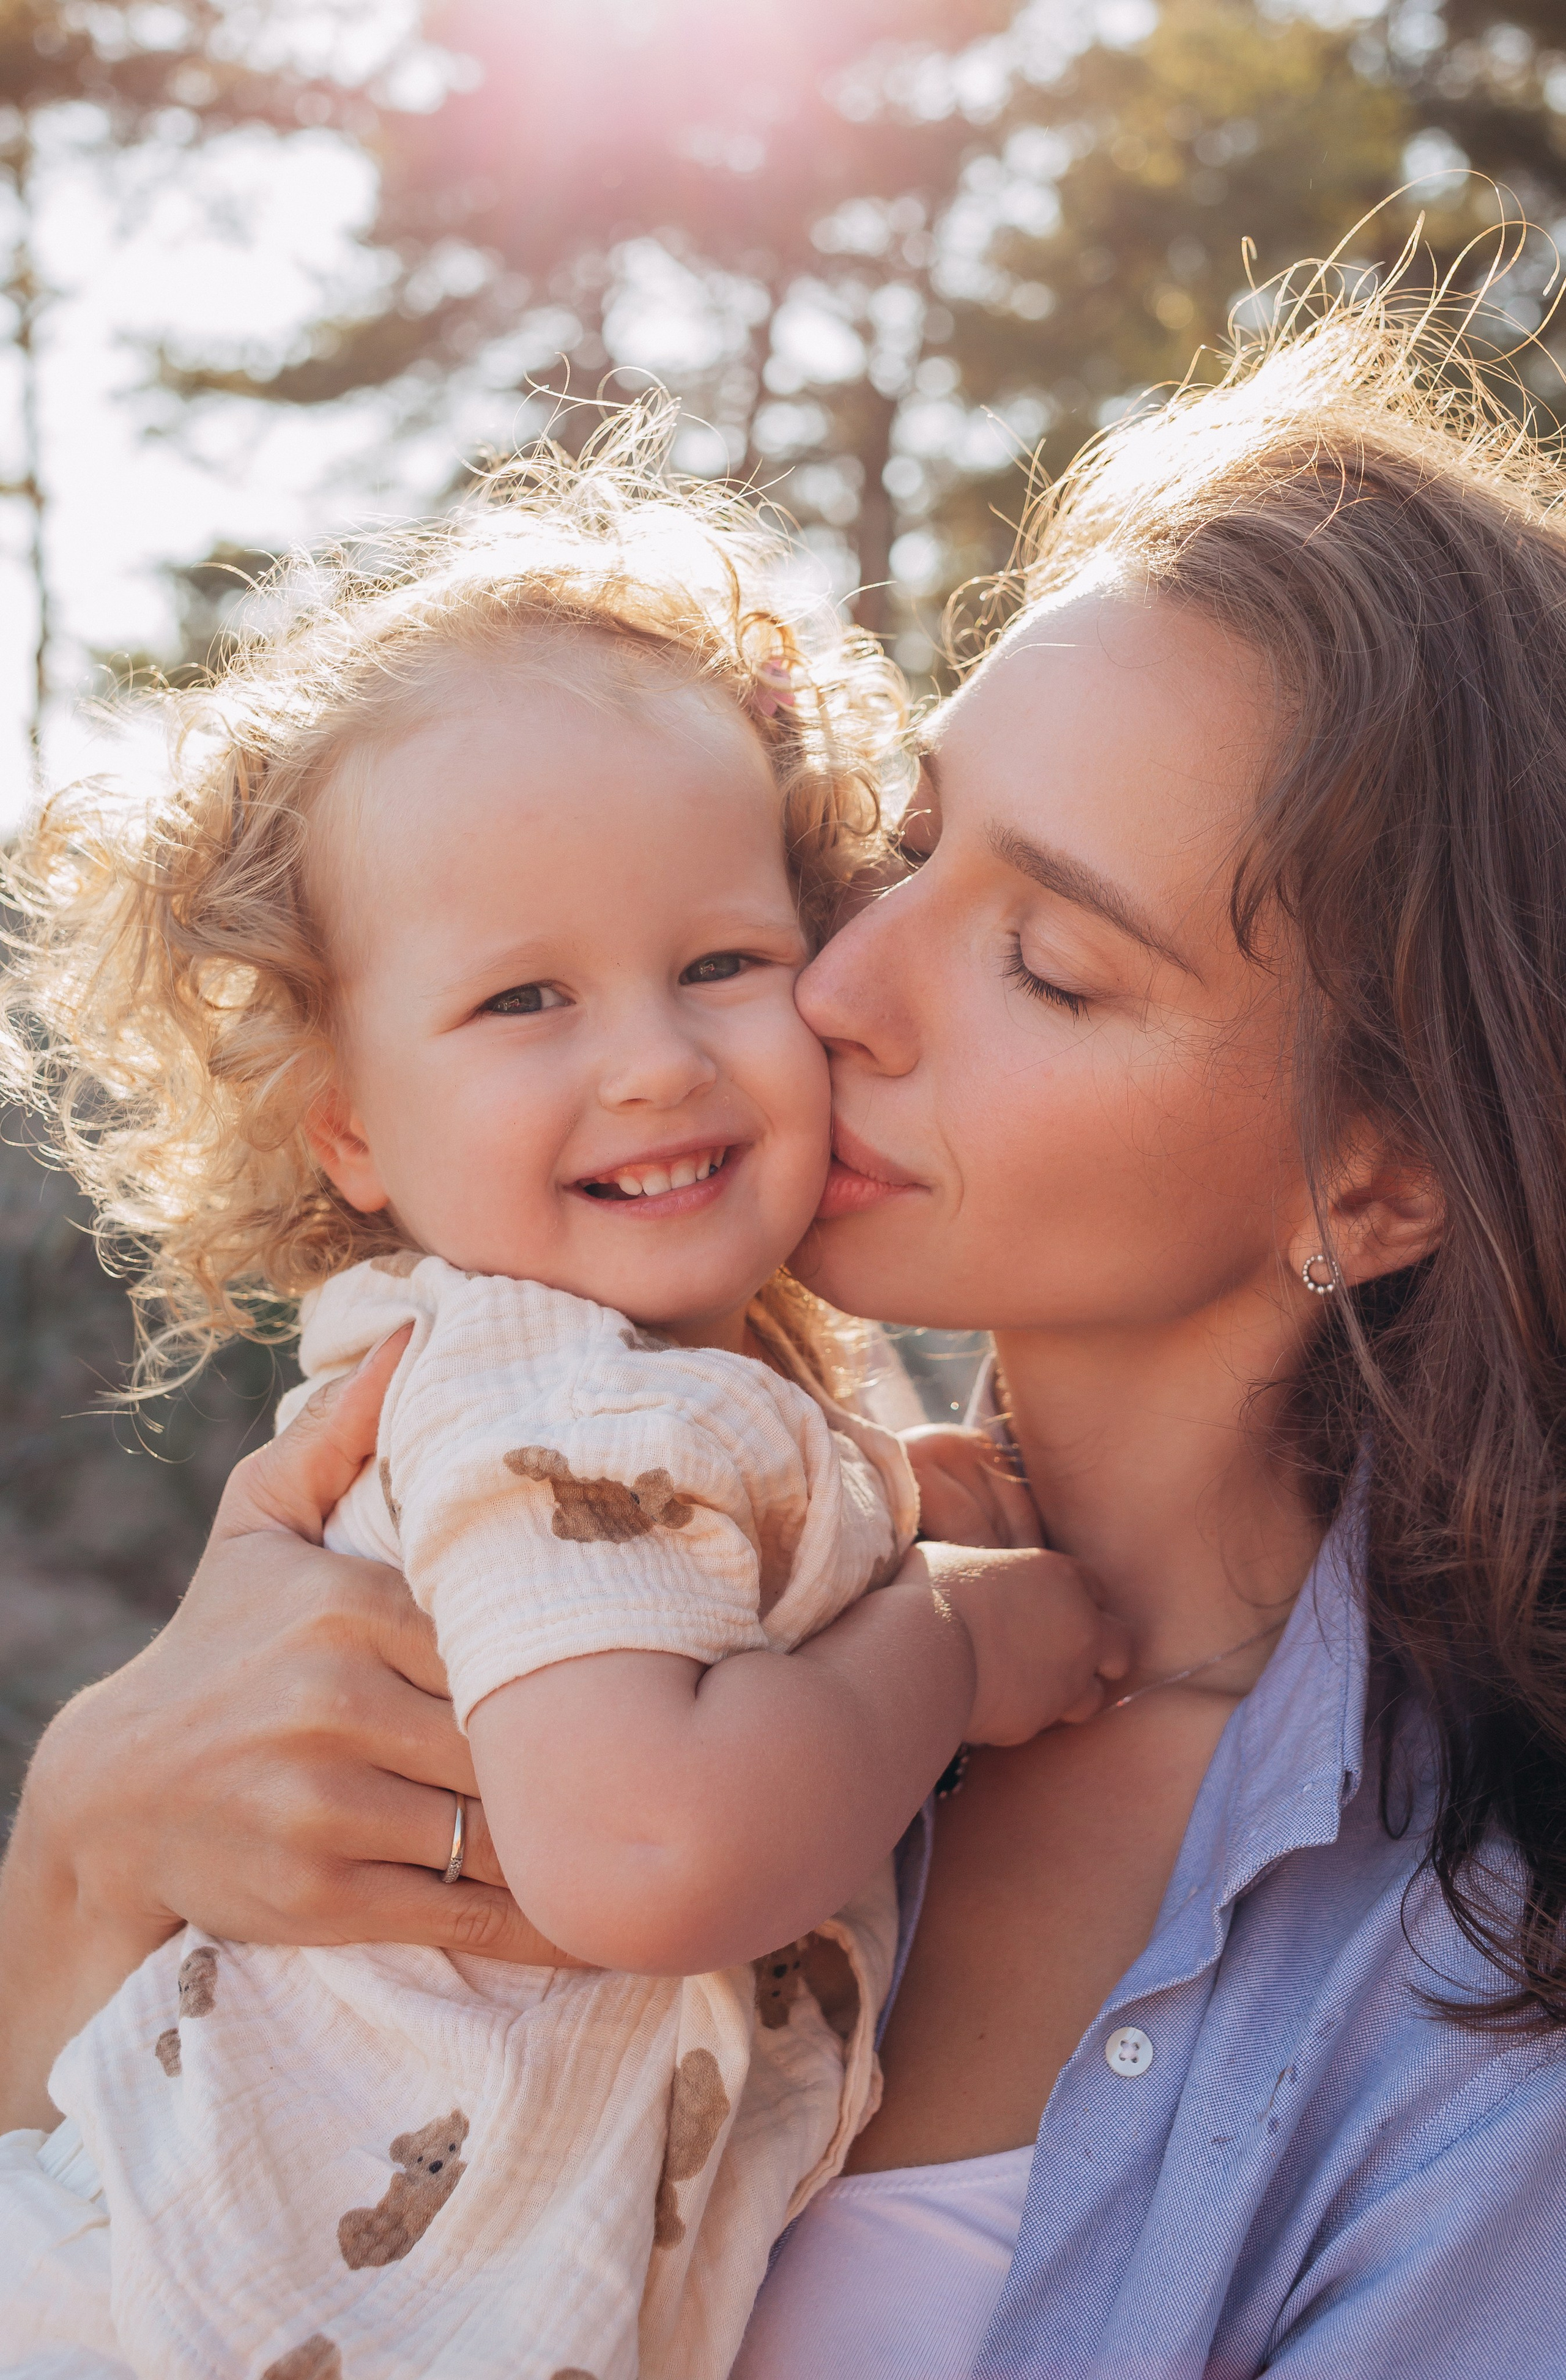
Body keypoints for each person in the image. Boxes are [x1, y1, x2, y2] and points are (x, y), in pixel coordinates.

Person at [6, 283, 1566, 2378]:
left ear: (1375, 1175)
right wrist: (85, 1853)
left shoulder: (1471, 2017)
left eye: (1044, 959)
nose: (836, 986)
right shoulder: (662, 1509)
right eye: (905, 847)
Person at [0, 433, 1122, 2380]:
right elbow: (648, 1852)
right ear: (346, 1122)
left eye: (719, 960)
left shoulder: (652, 1387)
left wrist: (892, 1497)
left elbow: (696, 1575)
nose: (651, 1061)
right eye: (526, 1002)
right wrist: (949, 1636)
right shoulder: (541, 1379)